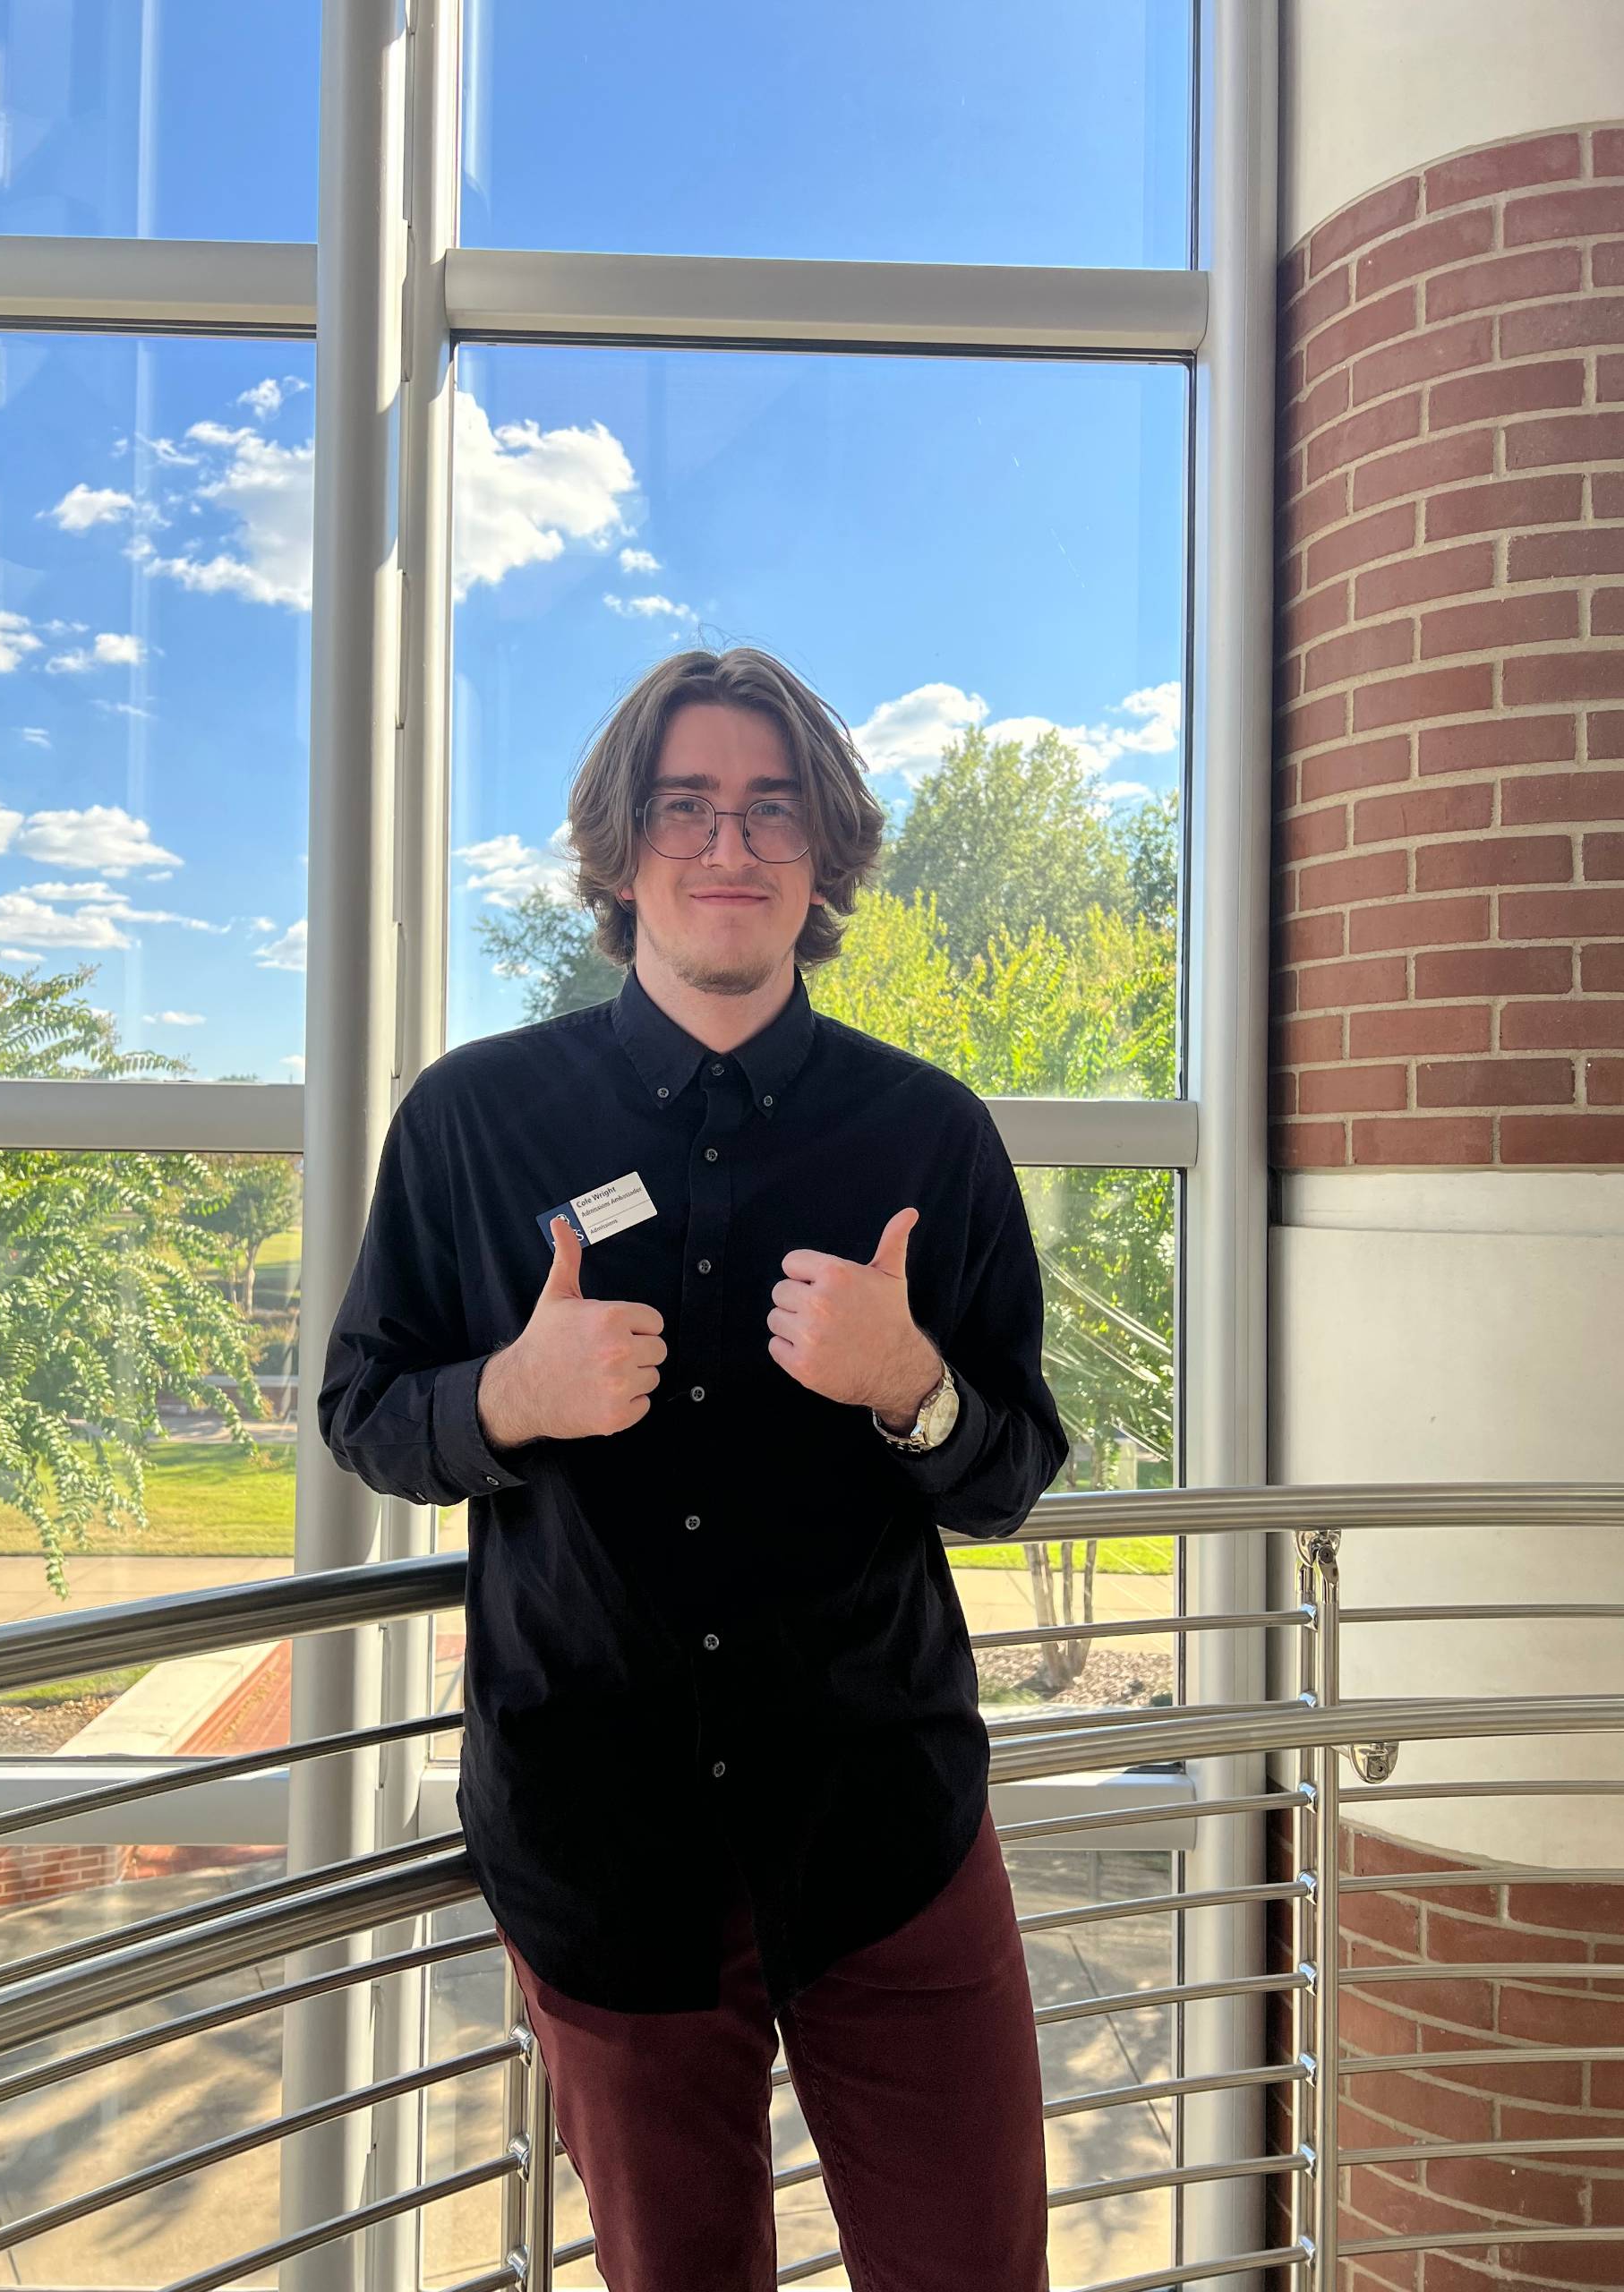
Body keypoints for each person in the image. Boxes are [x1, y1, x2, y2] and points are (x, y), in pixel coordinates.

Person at [319, 644, 1069, 2291]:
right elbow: (365, 1412)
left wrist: (915, 1388)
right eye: (685, 808)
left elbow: (1009, 1472)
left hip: (891, 1835)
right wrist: (508, 1394)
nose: (727, 847)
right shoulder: (469, 1122)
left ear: (823, 858)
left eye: (769, 810)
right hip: (606, 1850)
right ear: (618, 849)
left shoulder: (928, 1137)